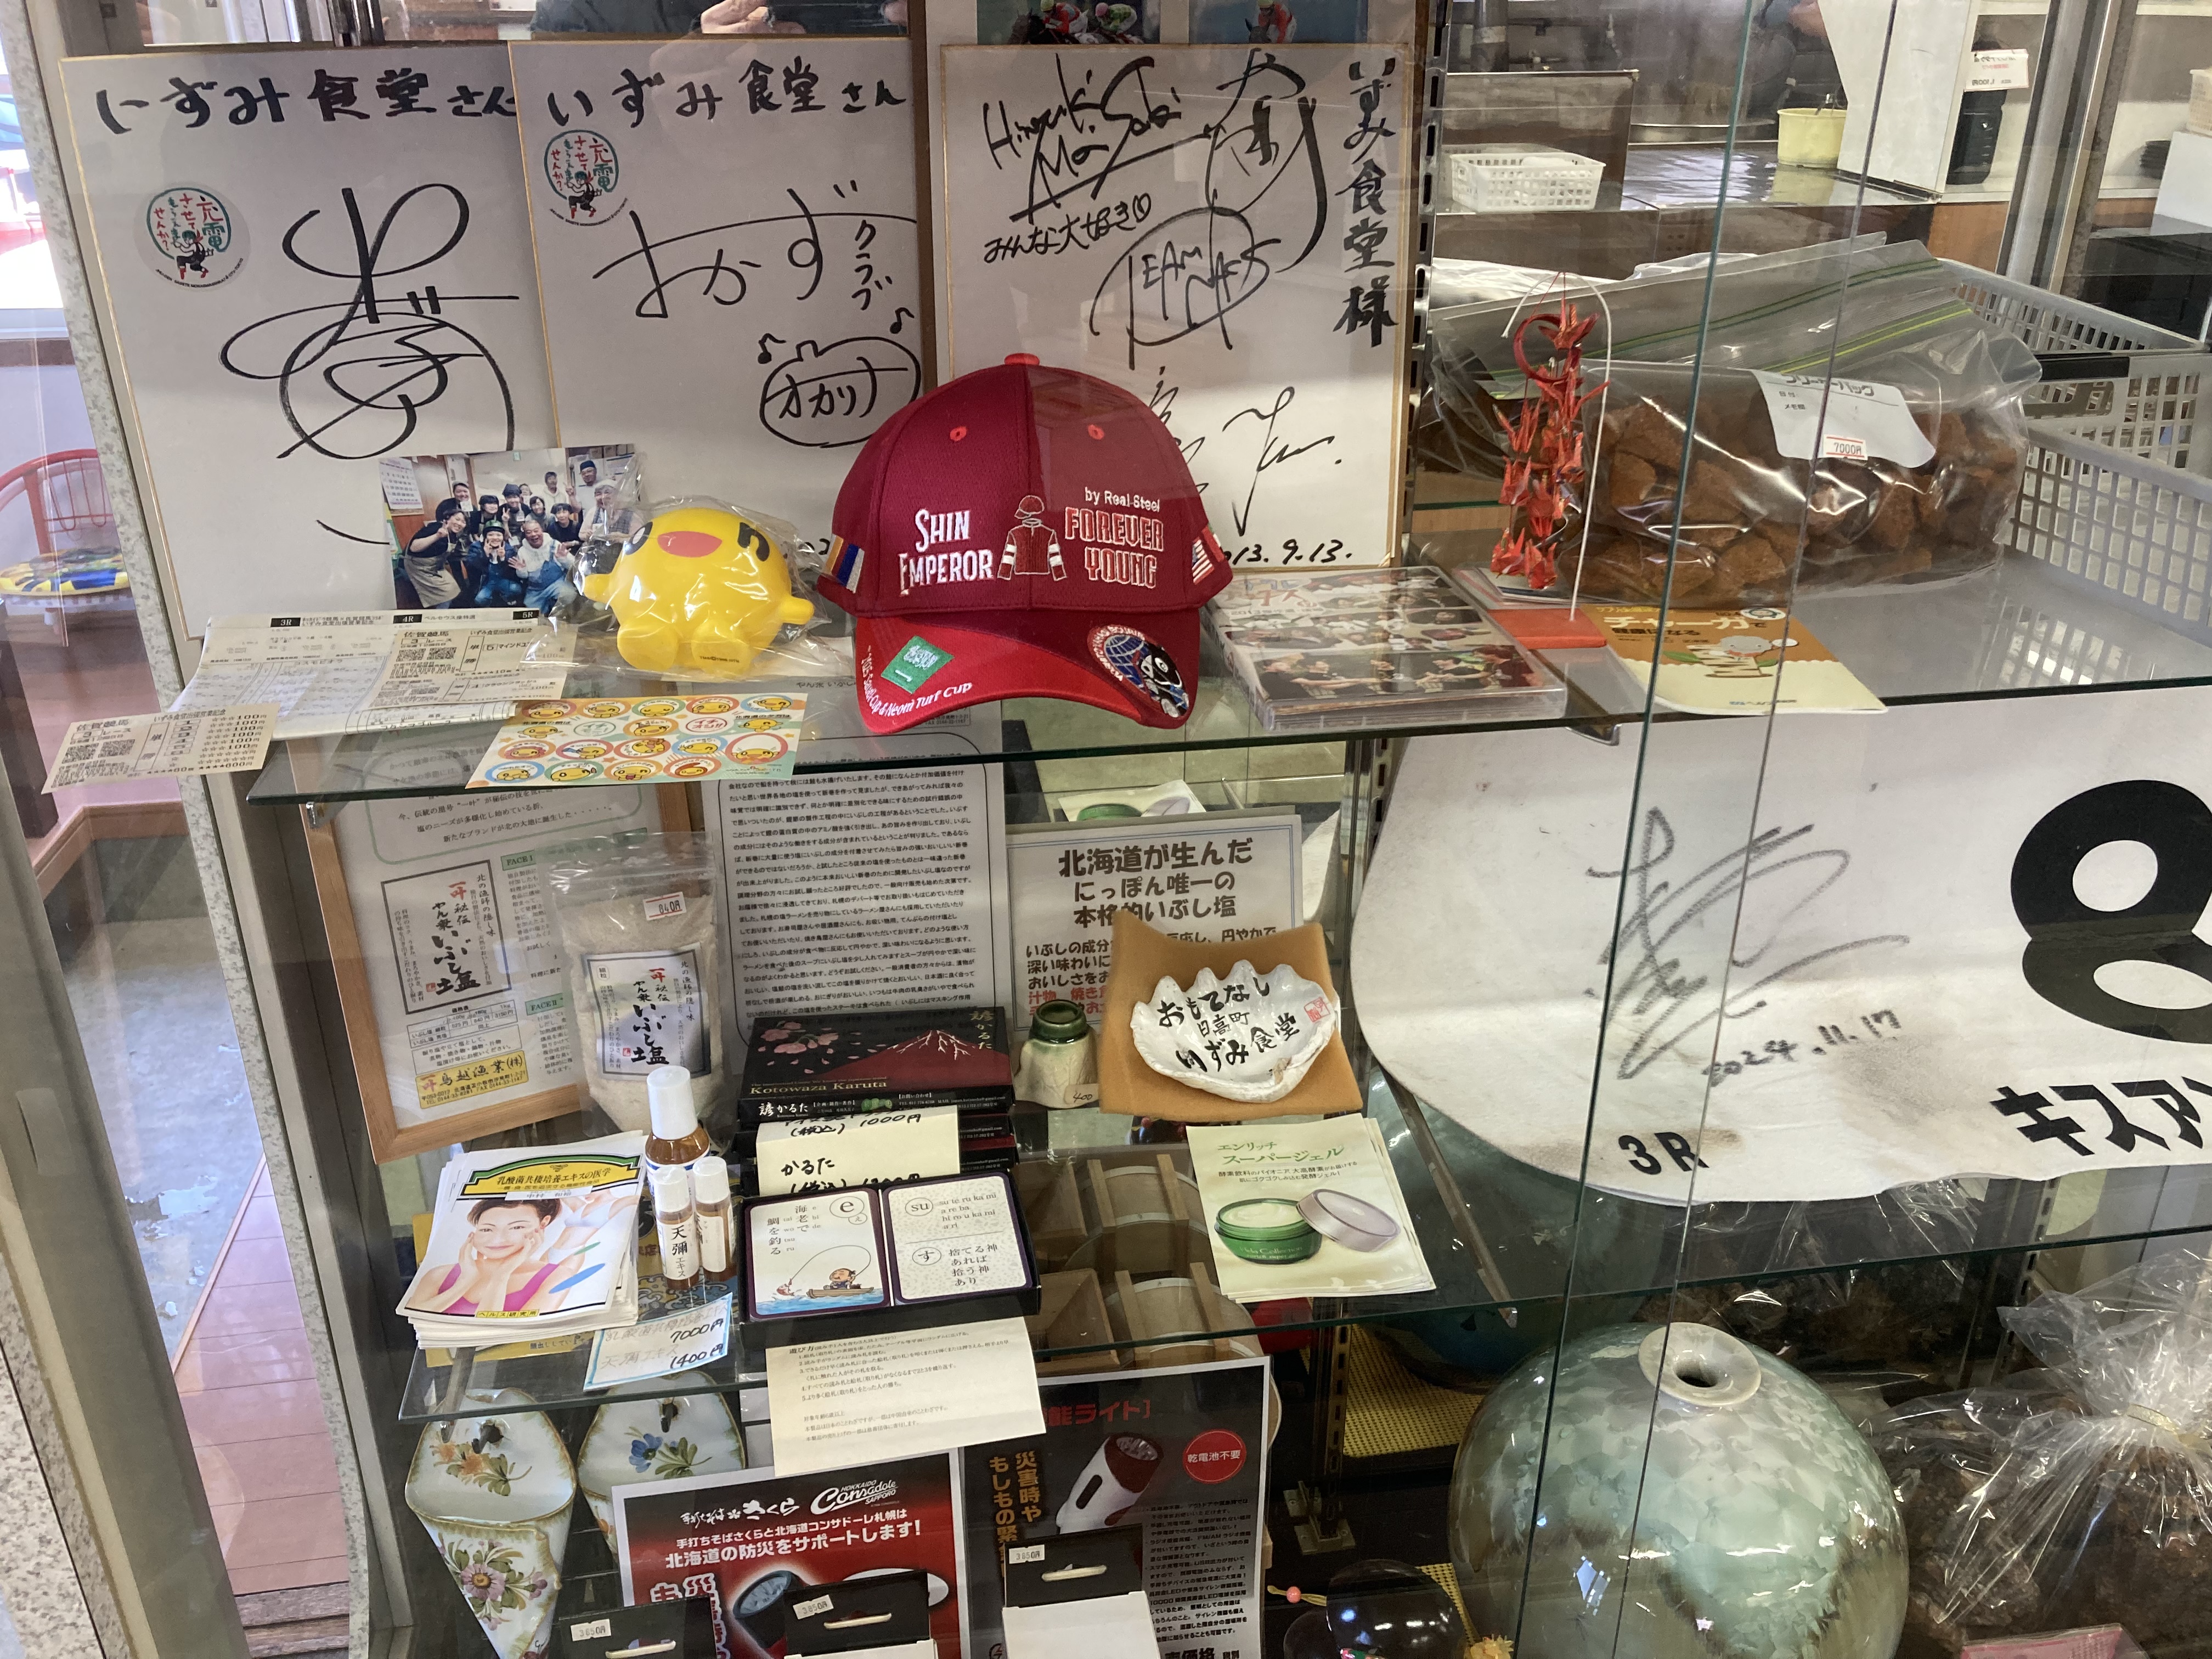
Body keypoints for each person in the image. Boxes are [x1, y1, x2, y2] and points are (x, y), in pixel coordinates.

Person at [410, 1198, 573, 1317]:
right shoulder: (439, 1274)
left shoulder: (557, 1276)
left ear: (543, 1224)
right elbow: (415, 1319)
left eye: (516, 1227)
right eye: (487, 1230)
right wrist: (463, 1283)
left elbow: (494, 1334)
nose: (498, 1239)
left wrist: (501, 1275)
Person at [401, 499, 467, 607]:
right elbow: (414, 547)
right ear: (448, 518)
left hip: (434, 567)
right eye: (457, 519)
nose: (460, 524)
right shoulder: (436, 527)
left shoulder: (453, 534)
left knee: (453, 588)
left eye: (463, 522)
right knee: (446, 595)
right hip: (417, 568)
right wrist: (437, 536)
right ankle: (440, 615)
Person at [470, 525, 519, 607]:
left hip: (502, 580)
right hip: (487, 582)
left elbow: (512, 573)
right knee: (480, 600)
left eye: (499, 535)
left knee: (516, 589)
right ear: (485, 537)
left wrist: (503, 558)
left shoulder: (509, 549)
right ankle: (488, 605)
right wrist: (485, 555)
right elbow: (472, 568)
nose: (495, 538)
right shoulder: (476, 547)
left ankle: (506, 597)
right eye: (491, 535)